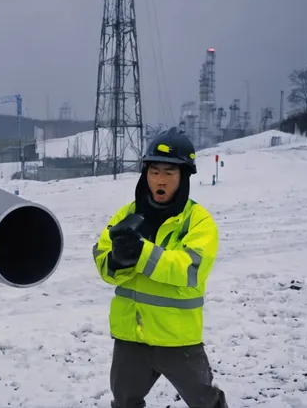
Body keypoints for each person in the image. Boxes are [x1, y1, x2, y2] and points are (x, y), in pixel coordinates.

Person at [92, 127, 228, 408]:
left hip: (177, 339)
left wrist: (141, 254)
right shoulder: (127, 215)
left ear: (184, 176)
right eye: (154, 172)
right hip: (132, 336)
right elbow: (102, 260)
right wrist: (117, 261)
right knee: (124, 401)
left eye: (169, 172)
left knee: (206, 402)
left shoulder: (198, 221)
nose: (160, 180)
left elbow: (190, 270)